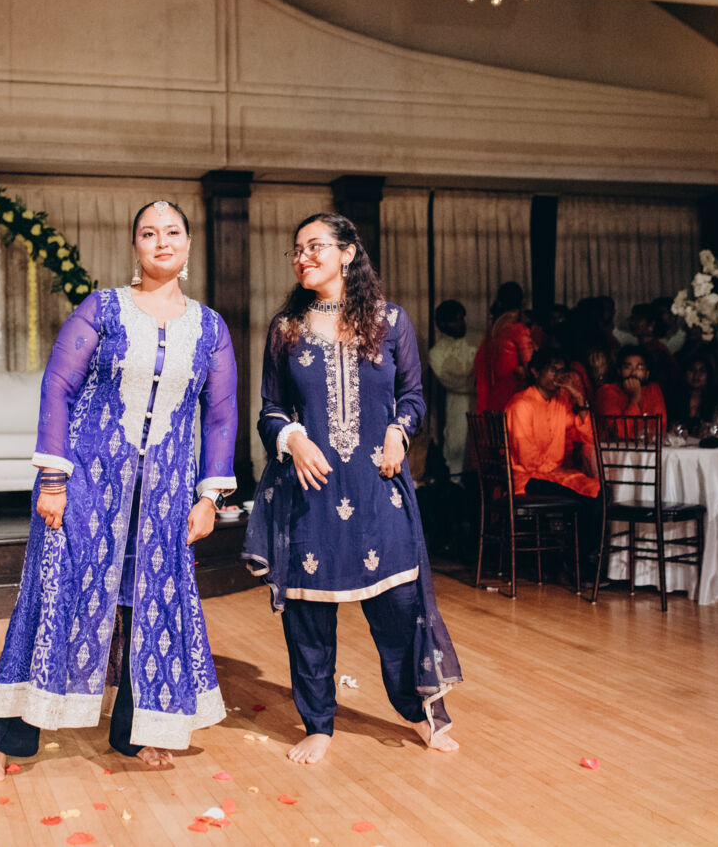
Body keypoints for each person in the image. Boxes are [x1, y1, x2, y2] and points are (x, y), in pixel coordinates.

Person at [0, 201, 239, 780]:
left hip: (166, 496)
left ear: (188, 245)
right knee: (54, 597)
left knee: (150, 606)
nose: (162, 241)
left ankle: (134, 733)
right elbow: (58, 387)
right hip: (87, 487)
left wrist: (209, 498)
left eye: (173, 232)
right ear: (134, 246)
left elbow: (220, 415)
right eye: (149, 233)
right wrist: (53, 480)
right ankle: (4, 738)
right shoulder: (104, 309)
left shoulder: (210, 329)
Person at [242, 213, 462, 766]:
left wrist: (399, 429)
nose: (303, 258)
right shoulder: (286, 328)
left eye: (315, 246)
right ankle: (318, 724)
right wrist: (292, 439)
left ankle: (420, 713)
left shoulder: (390, 321)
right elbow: (270, 408)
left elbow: (413, 395)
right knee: (308, 617)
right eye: (296, 250)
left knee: (400, 607)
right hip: (311, 492)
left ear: (347, 253)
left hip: (378, 487)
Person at [504, 348, 602, 583]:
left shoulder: (560, 402)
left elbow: (586, 436)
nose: (558, 376)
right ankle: (574, 562)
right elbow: (527, 457)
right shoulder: (521, 404)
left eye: (562, 371)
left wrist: (580, 400)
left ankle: (582, 559)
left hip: (551, 475)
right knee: (582, 498)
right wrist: (558, 471)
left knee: (598, 490)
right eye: (552, 370)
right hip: (525, 478)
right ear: (535, 372)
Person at [427, 299, 478, 476]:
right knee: (457, 446)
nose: (460, 324)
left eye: (461, 319)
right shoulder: (436, 353)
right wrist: (474, 383)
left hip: (480, 402)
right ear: (442, 324)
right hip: (456, 407)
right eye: (455, 320)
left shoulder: (476, 343)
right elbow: (453, 383)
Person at [474, 282, 534, 412]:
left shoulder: (494, 329)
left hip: (495, 392)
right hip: (515, 392)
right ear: (521, 302)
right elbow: (531, 367)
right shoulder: (519, 330)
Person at [594, 345, 668, 437]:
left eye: (639, 368)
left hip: (648, 445)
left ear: (647, 374)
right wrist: (634, 400)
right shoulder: (607, 392)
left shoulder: (653, 390)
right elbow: (620, 433)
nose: (633, 373)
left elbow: (659, 428)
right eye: (627, 367)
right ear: (619, 371)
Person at [667, 352, 718, 436]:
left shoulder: (716, 400)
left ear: (708, 375)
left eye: (702, 371)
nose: (696, 375)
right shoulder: (674, 398)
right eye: (692, 370)